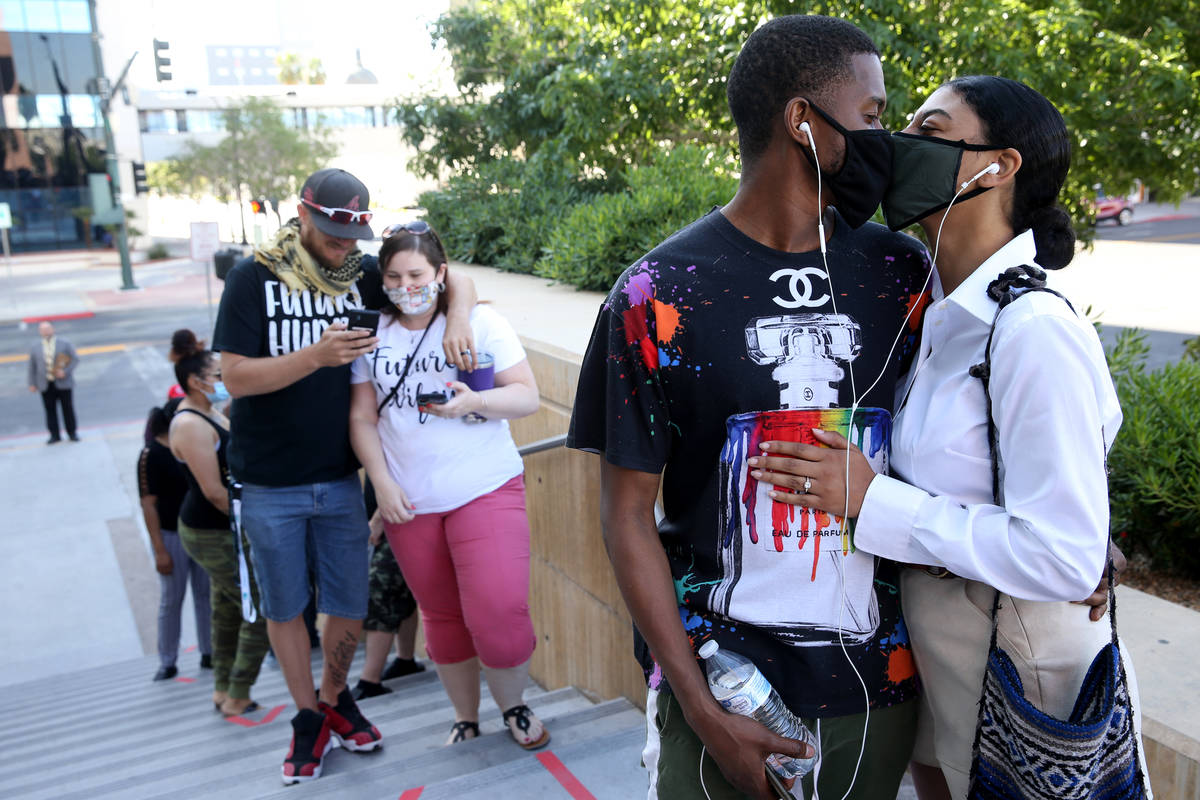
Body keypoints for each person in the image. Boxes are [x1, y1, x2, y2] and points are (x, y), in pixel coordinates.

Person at [568, 15, 930, 800]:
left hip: (882, 692)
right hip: (727, 697)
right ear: (803, 120)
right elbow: (625, 515)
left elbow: (979, 423)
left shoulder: (906, 277)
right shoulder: (656, 292)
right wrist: (700, 709)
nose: (885, 136)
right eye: (870, 115)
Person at [770, 76, 1151, 799]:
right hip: (948, 661)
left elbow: (1064, 559)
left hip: (1025, 669)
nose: (900, 147)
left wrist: (873, 500)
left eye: (932, 131)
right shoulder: (942, 314)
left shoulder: (1032, 329)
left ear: (997, 166)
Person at [212, 168, 478, 784]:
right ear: (301, 215)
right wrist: (316, 357)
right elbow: (235, 376)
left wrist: (459, 317)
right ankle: (307, 718)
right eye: (331, 231)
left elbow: (450, 276)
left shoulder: (358, 272)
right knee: (286, 606)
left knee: (348, 602)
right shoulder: (253, 278)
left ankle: (334, 700)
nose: (342, 244)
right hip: (269, 478)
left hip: (339, 474)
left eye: (351, 233)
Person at [348, 221, 548, 750]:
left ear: (440, 273)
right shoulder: (372, 333)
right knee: (441, 618)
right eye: (393, 276)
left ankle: (515, 705)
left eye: (416, 274)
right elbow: (363, 419)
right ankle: (465, 715)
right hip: (409, 502)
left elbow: (526, 396)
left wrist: (474, 402)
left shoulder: (480, 322)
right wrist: (382, 485)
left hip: (484, 485)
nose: (405, 285)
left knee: (500, 609)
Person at [168, 330, 270, 717]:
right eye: (218, 374)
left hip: (221, 527)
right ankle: (239, 691)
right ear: (196, 382)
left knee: (229, 609)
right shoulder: (191, 424)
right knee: (258, 609)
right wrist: (256, 519)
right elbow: (213, 491)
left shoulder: (209, 411)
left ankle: (223, 689)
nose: (225, 379)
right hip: (210, 530)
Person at [137, 398, 213, 681]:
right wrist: (159, 550)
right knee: (172, 599)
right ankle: (167, 660)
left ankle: (210, 652)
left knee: (206, 596)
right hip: (171, 535)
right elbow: (148, 504)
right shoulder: (151, 455)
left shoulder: (192, 448)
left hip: (200, 530)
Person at [352, 477, 424, 701]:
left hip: (398, 513)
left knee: (380, 592)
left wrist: (378, 518)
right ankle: (406, 660)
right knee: (404, 590)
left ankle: (369, 680)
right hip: (396, 513)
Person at [27, 321, 79, 443]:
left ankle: (72, 433)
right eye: (43, 330)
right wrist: (32, 383)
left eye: (47, 329)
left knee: (68, 409)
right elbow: (32, 367)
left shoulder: (64, 343)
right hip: (45, 384)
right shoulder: (35, 347)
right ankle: (54, 435)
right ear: (40, 332)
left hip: (63, 383)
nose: (45, 331)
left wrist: (65, 372)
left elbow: (75, 359)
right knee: (50, 410)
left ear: (52, 329)